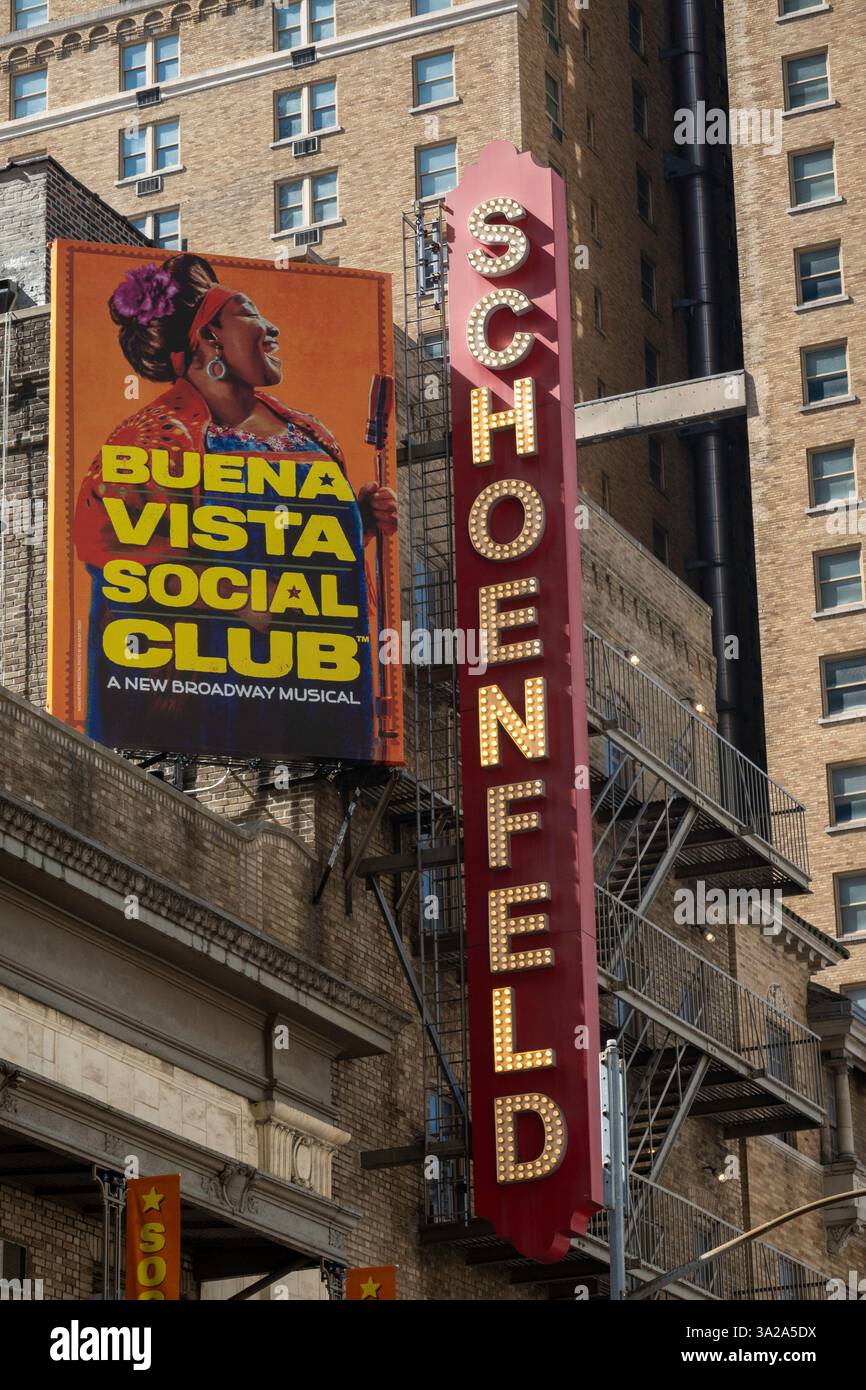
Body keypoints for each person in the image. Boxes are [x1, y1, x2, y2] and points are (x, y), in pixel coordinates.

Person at [73, 252, 397, 760]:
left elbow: (309, 552)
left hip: (322, 688)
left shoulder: (307, 431)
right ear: (209, 338)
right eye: (249, 313)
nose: (272, 327)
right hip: (220, 694)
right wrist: (232, 593)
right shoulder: (155, 436)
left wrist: (359, 522)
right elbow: (101, 534)